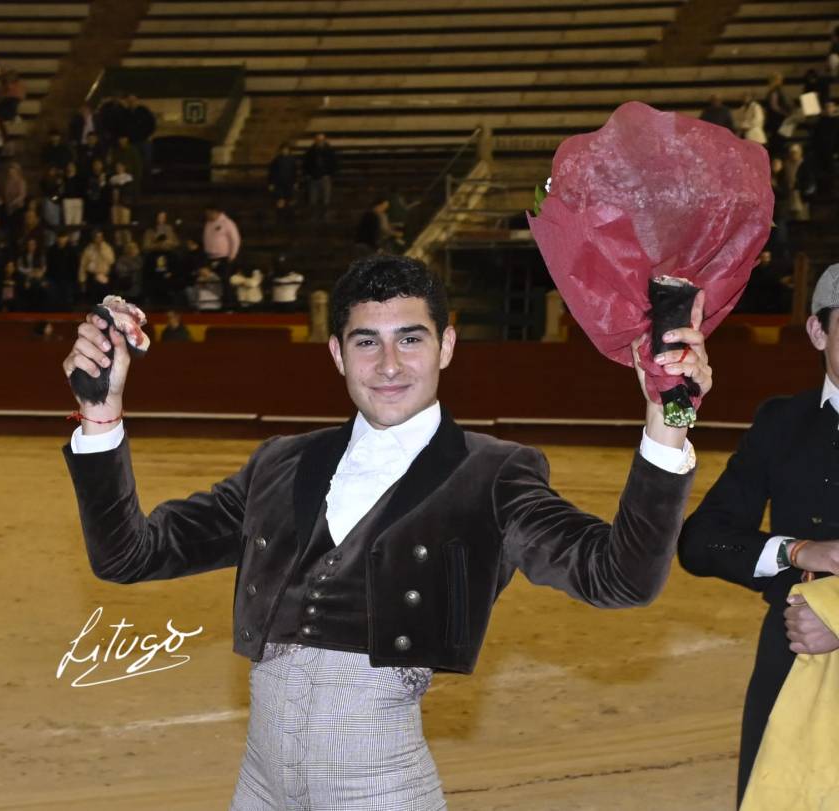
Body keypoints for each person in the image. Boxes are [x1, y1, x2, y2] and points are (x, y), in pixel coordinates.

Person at [60, 254, 711, 809]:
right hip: (260, 787)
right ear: (337, 353)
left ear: (447, 345)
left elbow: (620, 577)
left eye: (411, 339)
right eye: (367, 342)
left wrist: (668, 423)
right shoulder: (280, 464)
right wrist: (100, 413)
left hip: (378, 787)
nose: (390, 364)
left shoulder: (493, 475)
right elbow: (129, 555)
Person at [678, 263, 839, 809]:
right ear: (817, 332)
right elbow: (702, 541)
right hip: (791, 652)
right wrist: (795, 550)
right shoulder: (781, 423)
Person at [303, 132, 338, 220]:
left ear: (325, 140)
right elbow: (306, 164)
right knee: (313, 199)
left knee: (326, 198)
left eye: (322, 140)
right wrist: (308, 174)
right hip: (313, 178)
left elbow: (334, 163)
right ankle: (313, 217)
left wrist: (330, 174)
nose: (320, 141)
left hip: (325, 177)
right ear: (315, 140)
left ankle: (325, 216)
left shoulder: (330, 151)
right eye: (318, 140)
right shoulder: (310, 151)